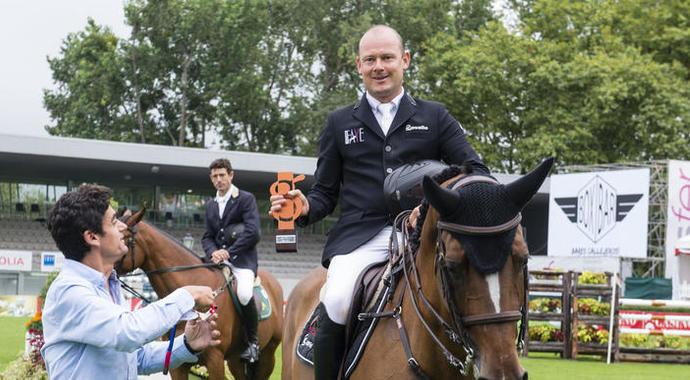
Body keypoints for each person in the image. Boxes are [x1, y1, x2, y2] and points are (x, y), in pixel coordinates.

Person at [269, 25, 489, 379]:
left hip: (423, 236)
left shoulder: (435, 116)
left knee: (470, 291)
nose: (379, 66)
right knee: (337, 297)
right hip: (361, 237)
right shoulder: (339, 122)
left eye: (387, 58)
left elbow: (475, 169)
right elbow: (324, 193)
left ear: (405, 60)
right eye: (370, 59)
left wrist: (433, 205)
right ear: (358, 65)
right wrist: (303, 207)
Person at [41, 184, 221, 380]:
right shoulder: (69, 290)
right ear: (92, 237)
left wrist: (186, 345)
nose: (123, 226)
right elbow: (128, 331)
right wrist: (188, 295)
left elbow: (135, 359)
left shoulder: (110, 285)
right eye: (113, 221)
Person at [201, 158, 262, 363]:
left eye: (222, 175)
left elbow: (253, 233)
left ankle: (253, 343)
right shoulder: (210, 205)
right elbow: (207, 236)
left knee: (244, 294)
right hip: (217, 262)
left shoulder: (246, 199)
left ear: (231, 175)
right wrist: (214, 253)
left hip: (242, 261)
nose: (218, 180)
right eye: (214, 176)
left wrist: (228, 252)